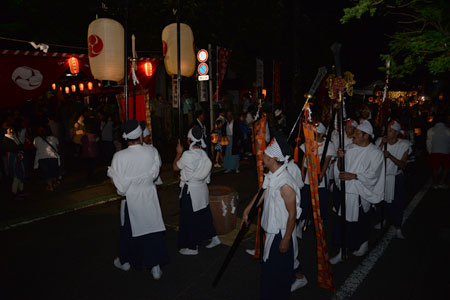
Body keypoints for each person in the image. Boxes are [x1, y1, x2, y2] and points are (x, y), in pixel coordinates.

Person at [241, 137, 301, 300]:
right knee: (270, 273)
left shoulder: (285, 184)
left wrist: (286, 239)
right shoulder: (273, 174)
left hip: (280, 234)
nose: (262, 156)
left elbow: (293, 214)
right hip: (272, 233)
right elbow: (263, 192)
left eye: (266, 155)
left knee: (276, 275)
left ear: (274, 159)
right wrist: (248, 209)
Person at [108, 120, 168, 279]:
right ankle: (155, 267)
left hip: (131, 200)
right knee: (152, 231)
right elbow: (155, 174)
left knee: (129, 232)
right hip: (149, 197)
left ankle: (126, 262)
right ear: (140, 135)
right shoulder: (152, 151)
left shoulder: (119, 156)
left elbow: (120, 188)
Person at [330, 120, 385, 264]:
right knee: (342, 222)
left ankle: (362, 243)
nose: (353, 134)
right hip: (346, 192)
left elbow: (374, 174)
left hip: (361, 193)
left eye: (357, 133)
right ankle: (342, 250)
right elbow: (340, 168)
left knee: (360, 221)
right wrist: (340, 159)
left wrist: (354, 176)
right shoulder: (349, 148)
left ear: (366, 136)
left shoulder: (375, 153)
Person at [173, 125, 221, 255]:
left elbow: (175, 167)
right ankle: (215, 237)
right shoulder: (203, 153)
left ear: (189, 139)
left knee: (189, 219)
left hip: (191, 191)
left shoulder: (187, 155)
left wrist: (178, 152)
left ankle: (193, 247)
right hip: (202, 189)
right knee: (204, 214)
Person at [375, 120, 412, 239]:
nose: (388, 133)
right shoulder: (380, 141)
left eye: (391, 131)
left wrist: (390, 156)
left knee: (397, 203)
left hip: (396, 178)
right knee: (381, 201)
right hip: (381, 176)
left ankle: (398, 227)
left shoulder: (404, 145)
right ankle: (383, 219)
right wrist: (381, 145)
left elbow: (402, 165)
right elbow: (373, 158)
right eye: (387, 130)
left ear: (396, 133)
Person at [299, 122, 336, 231]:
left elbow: (326, 161)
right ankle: (303, 219)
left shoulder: (329, 145)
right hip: (308, 176)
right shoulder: (309, 142)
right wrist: (302, 172)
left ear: (321, 135)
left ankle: (320, 220)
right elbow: (304, 158)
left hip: (320, 177)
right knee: (306, 198)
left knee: (321, 200)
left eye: (316, 133)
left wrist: (321, 175)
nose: (313, 135)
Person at [426, 114, 450, 189]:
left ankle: (435, 183)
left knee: (435, 168)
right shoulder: (448, 130)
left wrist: (430, 152)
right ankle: (441, 182)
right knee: (446, 168)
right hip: (445, 152)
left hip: (434, 152)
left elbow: (428, 142)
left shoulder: (431, 130)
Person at [33, 126, 60, 192]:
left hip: (42, 158)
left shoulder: (36, 139)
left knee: (46, 174)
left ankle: (50, 187)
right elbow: (57, 147)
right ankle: (54, 183)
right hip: (53, 157)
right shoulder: (54, 138)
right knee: (53, 172)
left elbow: (35, 147)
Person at [3, 123, 26, 199]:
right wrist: (18, 152)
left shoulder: (14, 137)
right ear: (6, 130)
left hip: (18, 156)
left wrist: (21, 152)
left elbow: (20, 146)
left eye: (12, 129)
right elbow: (11, 148)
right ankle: (14, 193)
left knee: (21, 173)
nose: (11, 130)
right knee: (16, 175)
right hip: (13, 158)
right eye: (9, 129)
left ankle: (21, 191)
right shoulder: (6, 138)